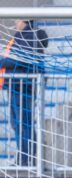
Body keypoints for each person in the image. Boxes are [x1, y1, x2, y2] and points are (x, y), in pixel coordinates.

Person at [0, 19, 48, 166]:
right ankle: (23, 157)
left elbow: (21, 60)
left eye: (17, 20)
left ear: (24, 20)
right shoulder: (21, 36)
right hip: (16, 85)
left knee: (24, 123)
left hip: (23, 85)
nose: (15, 23)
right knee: (17, 123)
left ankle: (28, 159)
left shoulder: (30, 36)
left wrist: (1, 61)